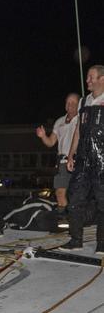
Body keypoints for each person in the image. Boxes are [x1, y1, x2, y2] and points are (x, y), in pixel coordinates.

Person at [61, 65, 104, 252]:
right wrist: (71, 155)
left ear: (102, 79)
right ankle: (75, 239)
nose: (88, 81)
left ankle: (102, 243)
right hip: (84, 158)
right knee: (75, 197)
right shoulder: (84, 101)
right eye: (87, 77)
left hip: (102, 159)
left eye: (91, 77)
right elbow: (78, 130)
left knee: (103, 201)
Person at [35, 93, 80, 214]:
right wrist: (43, 136)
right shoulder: (59, 121)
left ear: (79, 104)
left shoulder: (83, 119)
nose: (70, 105)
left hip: (79, 160)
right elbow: (50, 142)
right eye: (68, 103)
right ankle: (64, 220)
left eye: (73, 103)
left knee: (76, 194)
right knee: (60, 192)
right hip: (62, 161)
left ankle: (77, 219)